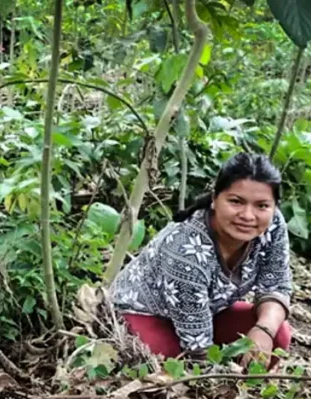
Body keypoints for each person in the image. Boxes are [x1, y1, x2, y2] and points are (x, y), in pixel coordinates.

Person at [110, 152, 293, 364]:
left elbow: (276, 285)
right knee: (167, 360)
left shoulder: (273, 224)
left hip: (210, 312)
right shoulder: (186, 249)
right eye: (236, 201)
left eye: (262, 206)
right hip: (146, 313)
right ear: (214, 199)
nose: (248, 216)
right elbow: (199, 348)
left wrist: (264, 330)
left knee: (277, 334)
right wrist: (214, 372)